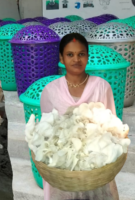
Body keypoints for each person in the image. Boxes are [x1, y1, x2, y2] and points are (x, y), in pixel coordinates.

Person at [40, 33, 119, 200]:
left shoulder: (102, 87)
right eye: (70, 54)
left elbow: (112, 128)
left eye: (81, 54)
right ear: (61, 58)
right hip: (65, 168)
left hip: (94, 166)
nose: (76, 59)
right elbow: (45, 134)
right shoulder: (51, 91)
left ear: (87, 57)